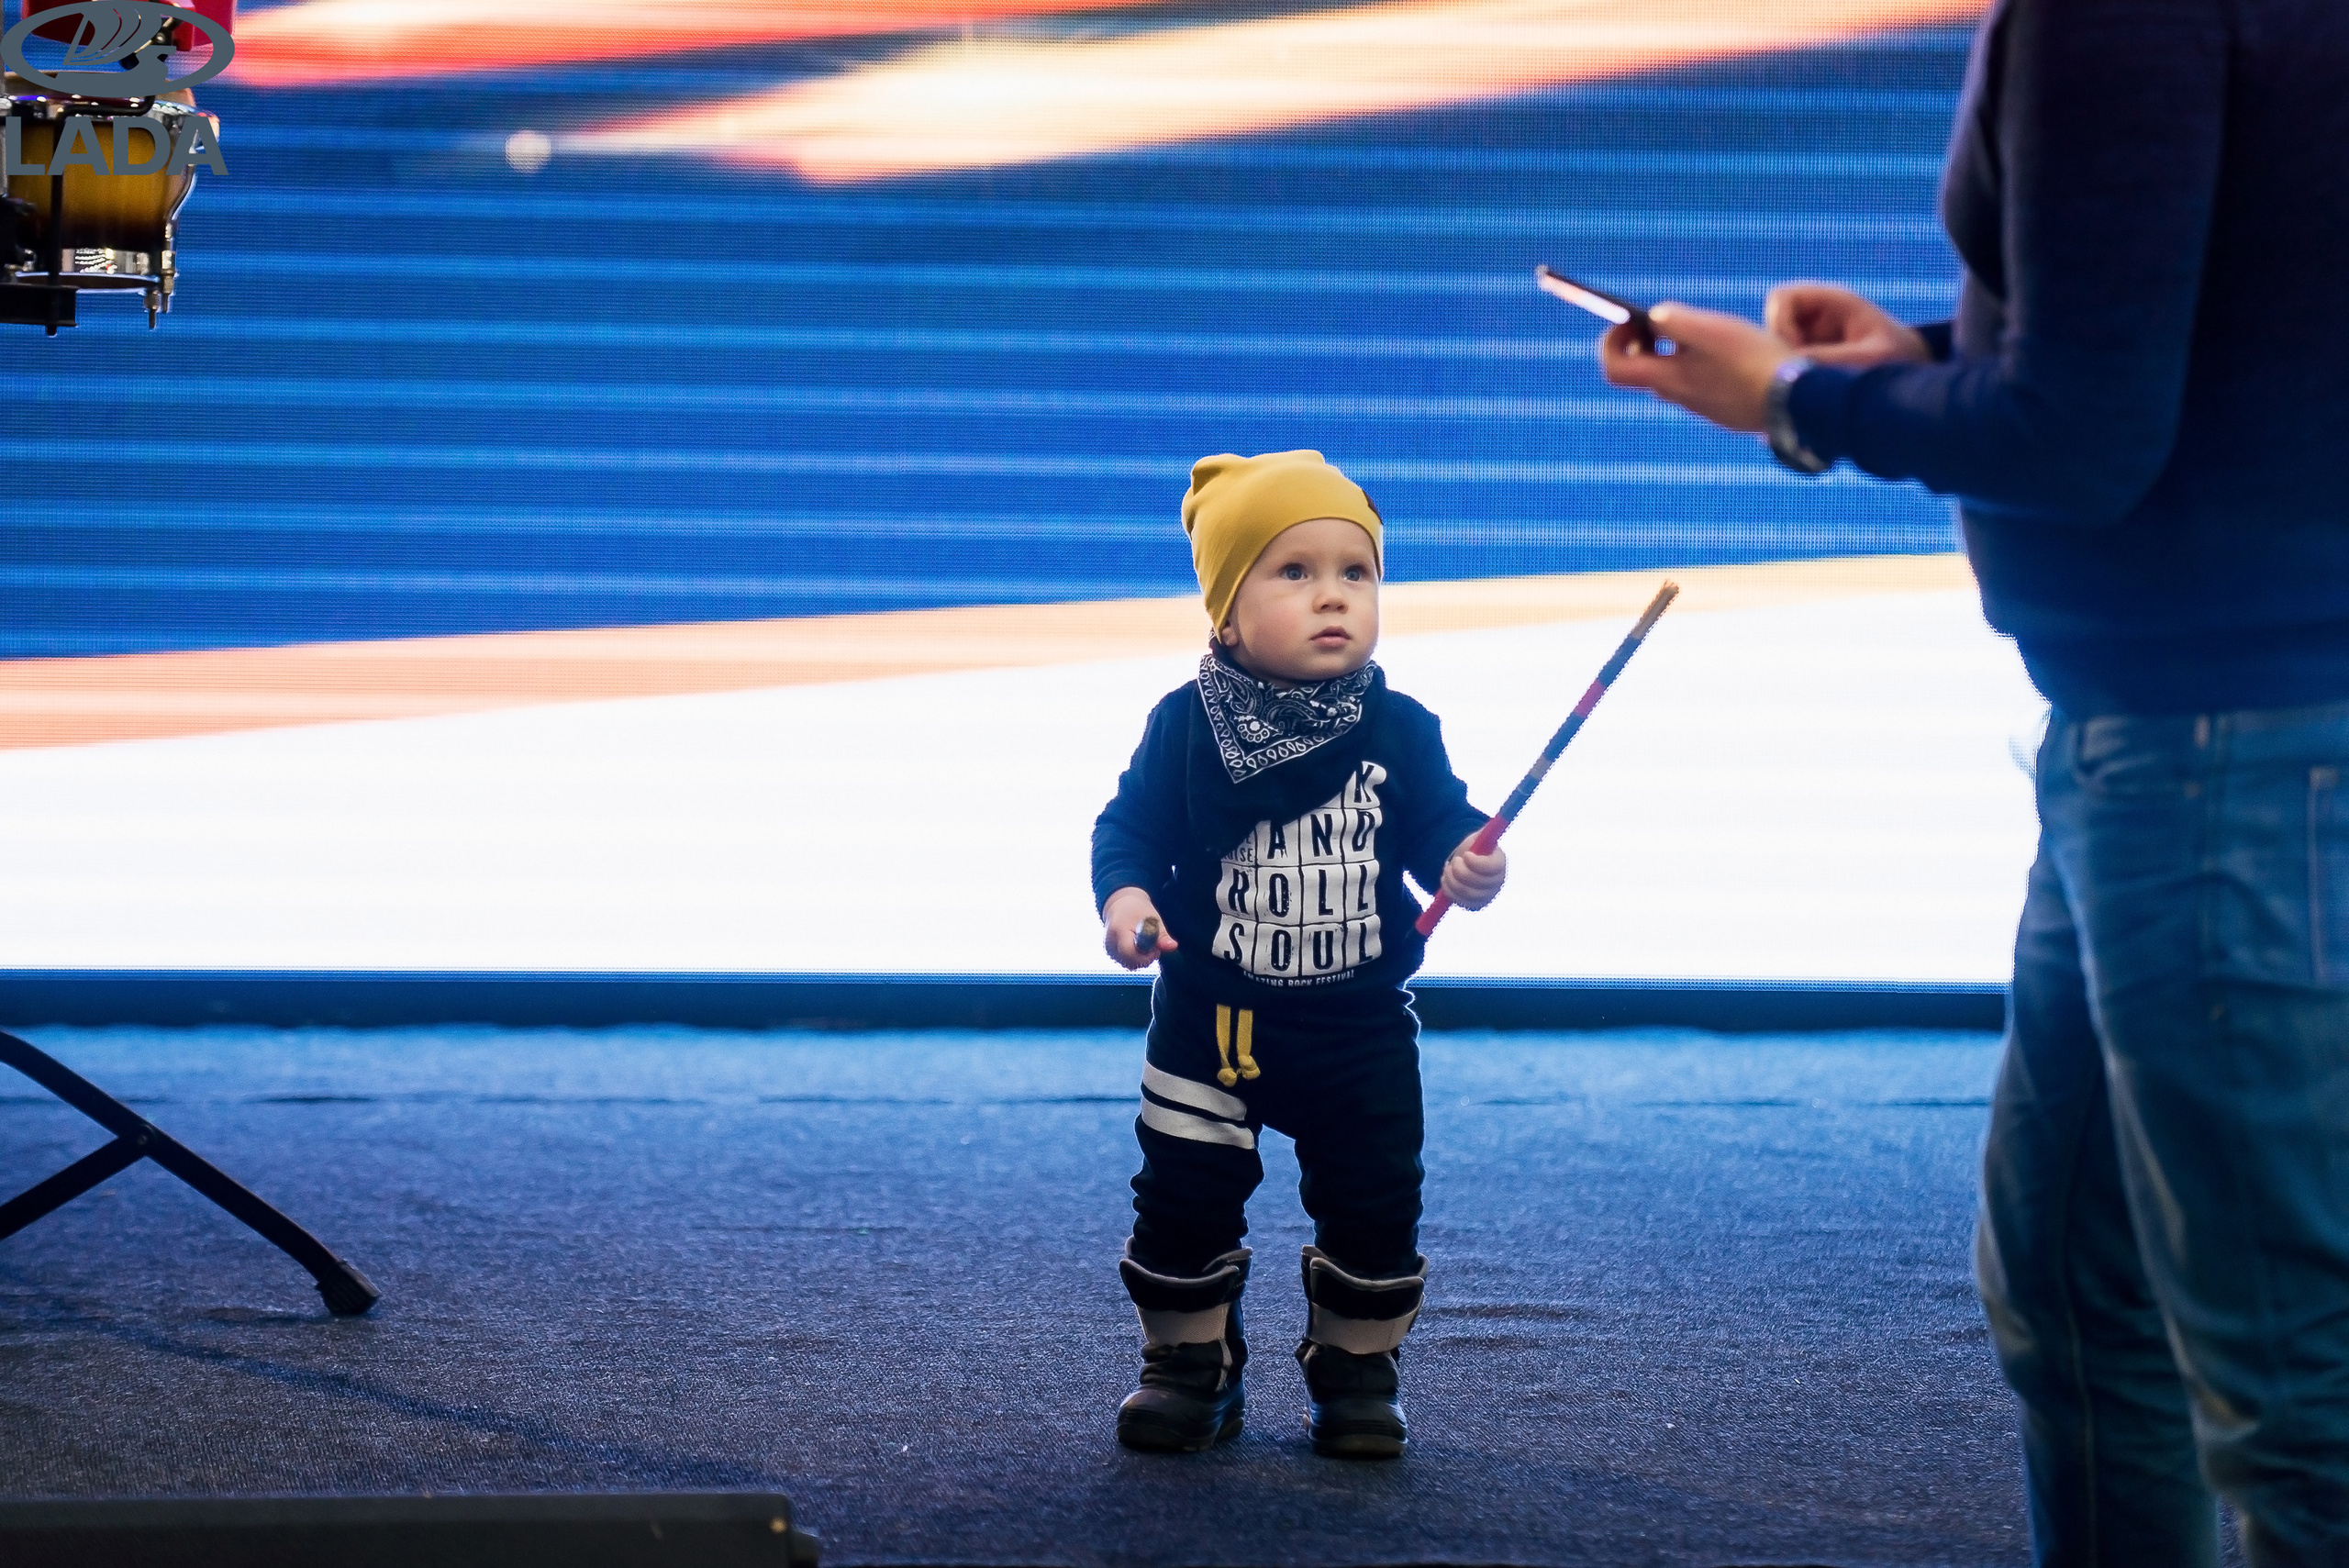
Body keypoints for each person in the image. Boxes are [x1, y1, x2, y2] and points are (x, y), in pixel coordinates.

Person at [1594, 1, 2349, 1560]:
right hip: (2186, 744)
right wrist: (1936, 357)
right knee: (2076, 1292)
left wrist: (1800, 401)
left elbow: (2081, 438)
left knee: (2292, 1404)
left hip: (2218, 761)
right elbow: (2232, 316)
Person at [1090, 450, 1506, 1457]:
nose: (1334, 597)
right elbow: (1129, 828)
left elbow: (1440, 829)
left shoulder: (1400, 727)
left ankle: (1356, 1368)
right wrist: (1128, 899)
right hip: (1210, 1021)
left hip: (1356, 1028)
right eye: (1294, 572)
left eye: (1355, 573)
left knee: (1374, 1198)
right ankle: (1190, 1363)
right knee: (1182, 1194)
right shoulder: (1185, 723)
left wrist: (1466, 859)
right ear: (1226, 613)